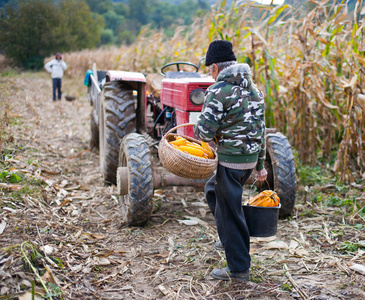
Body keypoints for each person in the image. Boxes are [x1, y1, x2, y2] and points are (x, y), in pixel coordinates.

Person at [194, 40, 267, 281]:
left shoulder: (218, 90)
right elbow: (261, 129)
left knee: (230, 213)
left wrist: (198, 131)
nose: (210, 74)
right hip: (248, 161)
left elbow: (204, 132)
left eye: (209, 70)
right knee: (213, 191)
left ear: (215, 67)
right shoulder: (255, 89)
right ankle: (228, 239)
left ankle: (238, 270)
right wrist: (260, 165)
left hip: (231, 162)